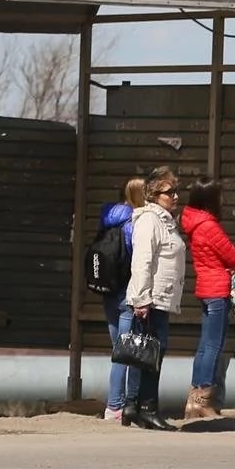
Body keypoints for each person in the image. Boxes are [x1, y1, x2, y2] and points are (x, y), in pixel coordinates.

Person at [123, 166, 186, 430]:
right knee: (151, 353)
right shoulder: (150, 220)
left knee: (144, 352)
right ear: (153, 194)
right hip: (152, 299)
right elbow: (142, 262)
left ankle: (132, 406)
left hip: (160, 298)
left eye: (176, 191)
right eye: (168, 192)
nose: (175, 196)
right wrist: (141, 299)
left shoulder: (165, 220)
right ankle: (146, 408)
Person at [181, 179, 235, 420]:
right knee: (214, 346)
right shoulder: (209, 226)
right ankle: (203, 400)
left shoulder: (194, 224)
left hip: (205, 289)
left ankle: (193, 400)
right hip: (218, 290)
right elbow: (234, 257)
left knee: (204, 345)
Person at [100, 178, 147, 424]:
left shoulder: (107, 218)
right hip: (129, 294)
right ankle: (118, 405)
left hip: (108, 292)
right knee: (126, 353)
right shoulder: (135, 223)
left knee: (118, 351)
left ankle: (115, 405)